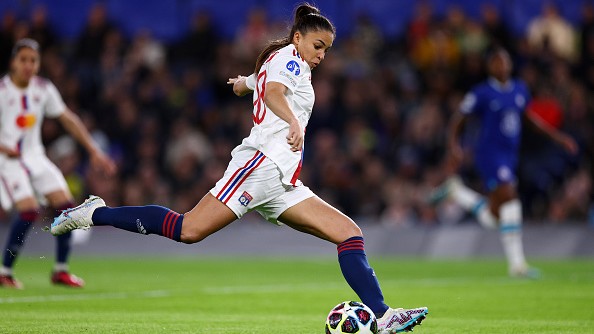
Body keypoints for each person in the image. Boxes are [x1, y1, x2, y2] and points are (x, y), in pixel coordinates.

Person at [51, 4, 428, 333]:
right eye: (318, 46)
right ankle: (94, 212)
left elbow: (262, 82)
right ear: (298, 37)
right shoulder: (291, 61)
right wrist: (291, 122)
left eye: (327, 50)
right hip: (259, 167)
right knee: (188, 230)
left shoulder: (282, 59)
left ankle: (383, 315)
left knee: (349, 233)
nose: (321, 56)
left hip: (281, 181)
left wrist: (242, 84)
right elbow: (275, 92)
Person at [429, 48, 577, 278]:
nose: (501, 66)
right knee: (510, 196)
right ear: (490, 67)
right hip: (489, 153)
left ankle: (457, 193)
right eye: (496, 62)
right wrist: (454, 147)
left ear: (509, 65)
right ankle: (517, 266)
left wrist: (558, 137)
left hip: (510, 155)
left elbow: (530, 120)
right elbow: (459, 119)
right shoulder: (482, 93)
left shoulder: (519, 89)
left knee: (495, 216)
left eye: (504, 62)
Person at [0, 38, 116, 288]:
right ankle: (5, 270)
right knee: (29, 210)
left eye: (33, 60)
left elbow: (68, 119)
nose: (28, 65)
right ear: (13, 62)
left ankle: (61, 270)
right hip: (8, 161)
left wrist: (93, 150)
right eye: (23, 60)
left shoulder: (43, 89)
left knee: (67, 208)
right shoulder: (2, 91)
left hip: (35, 157)